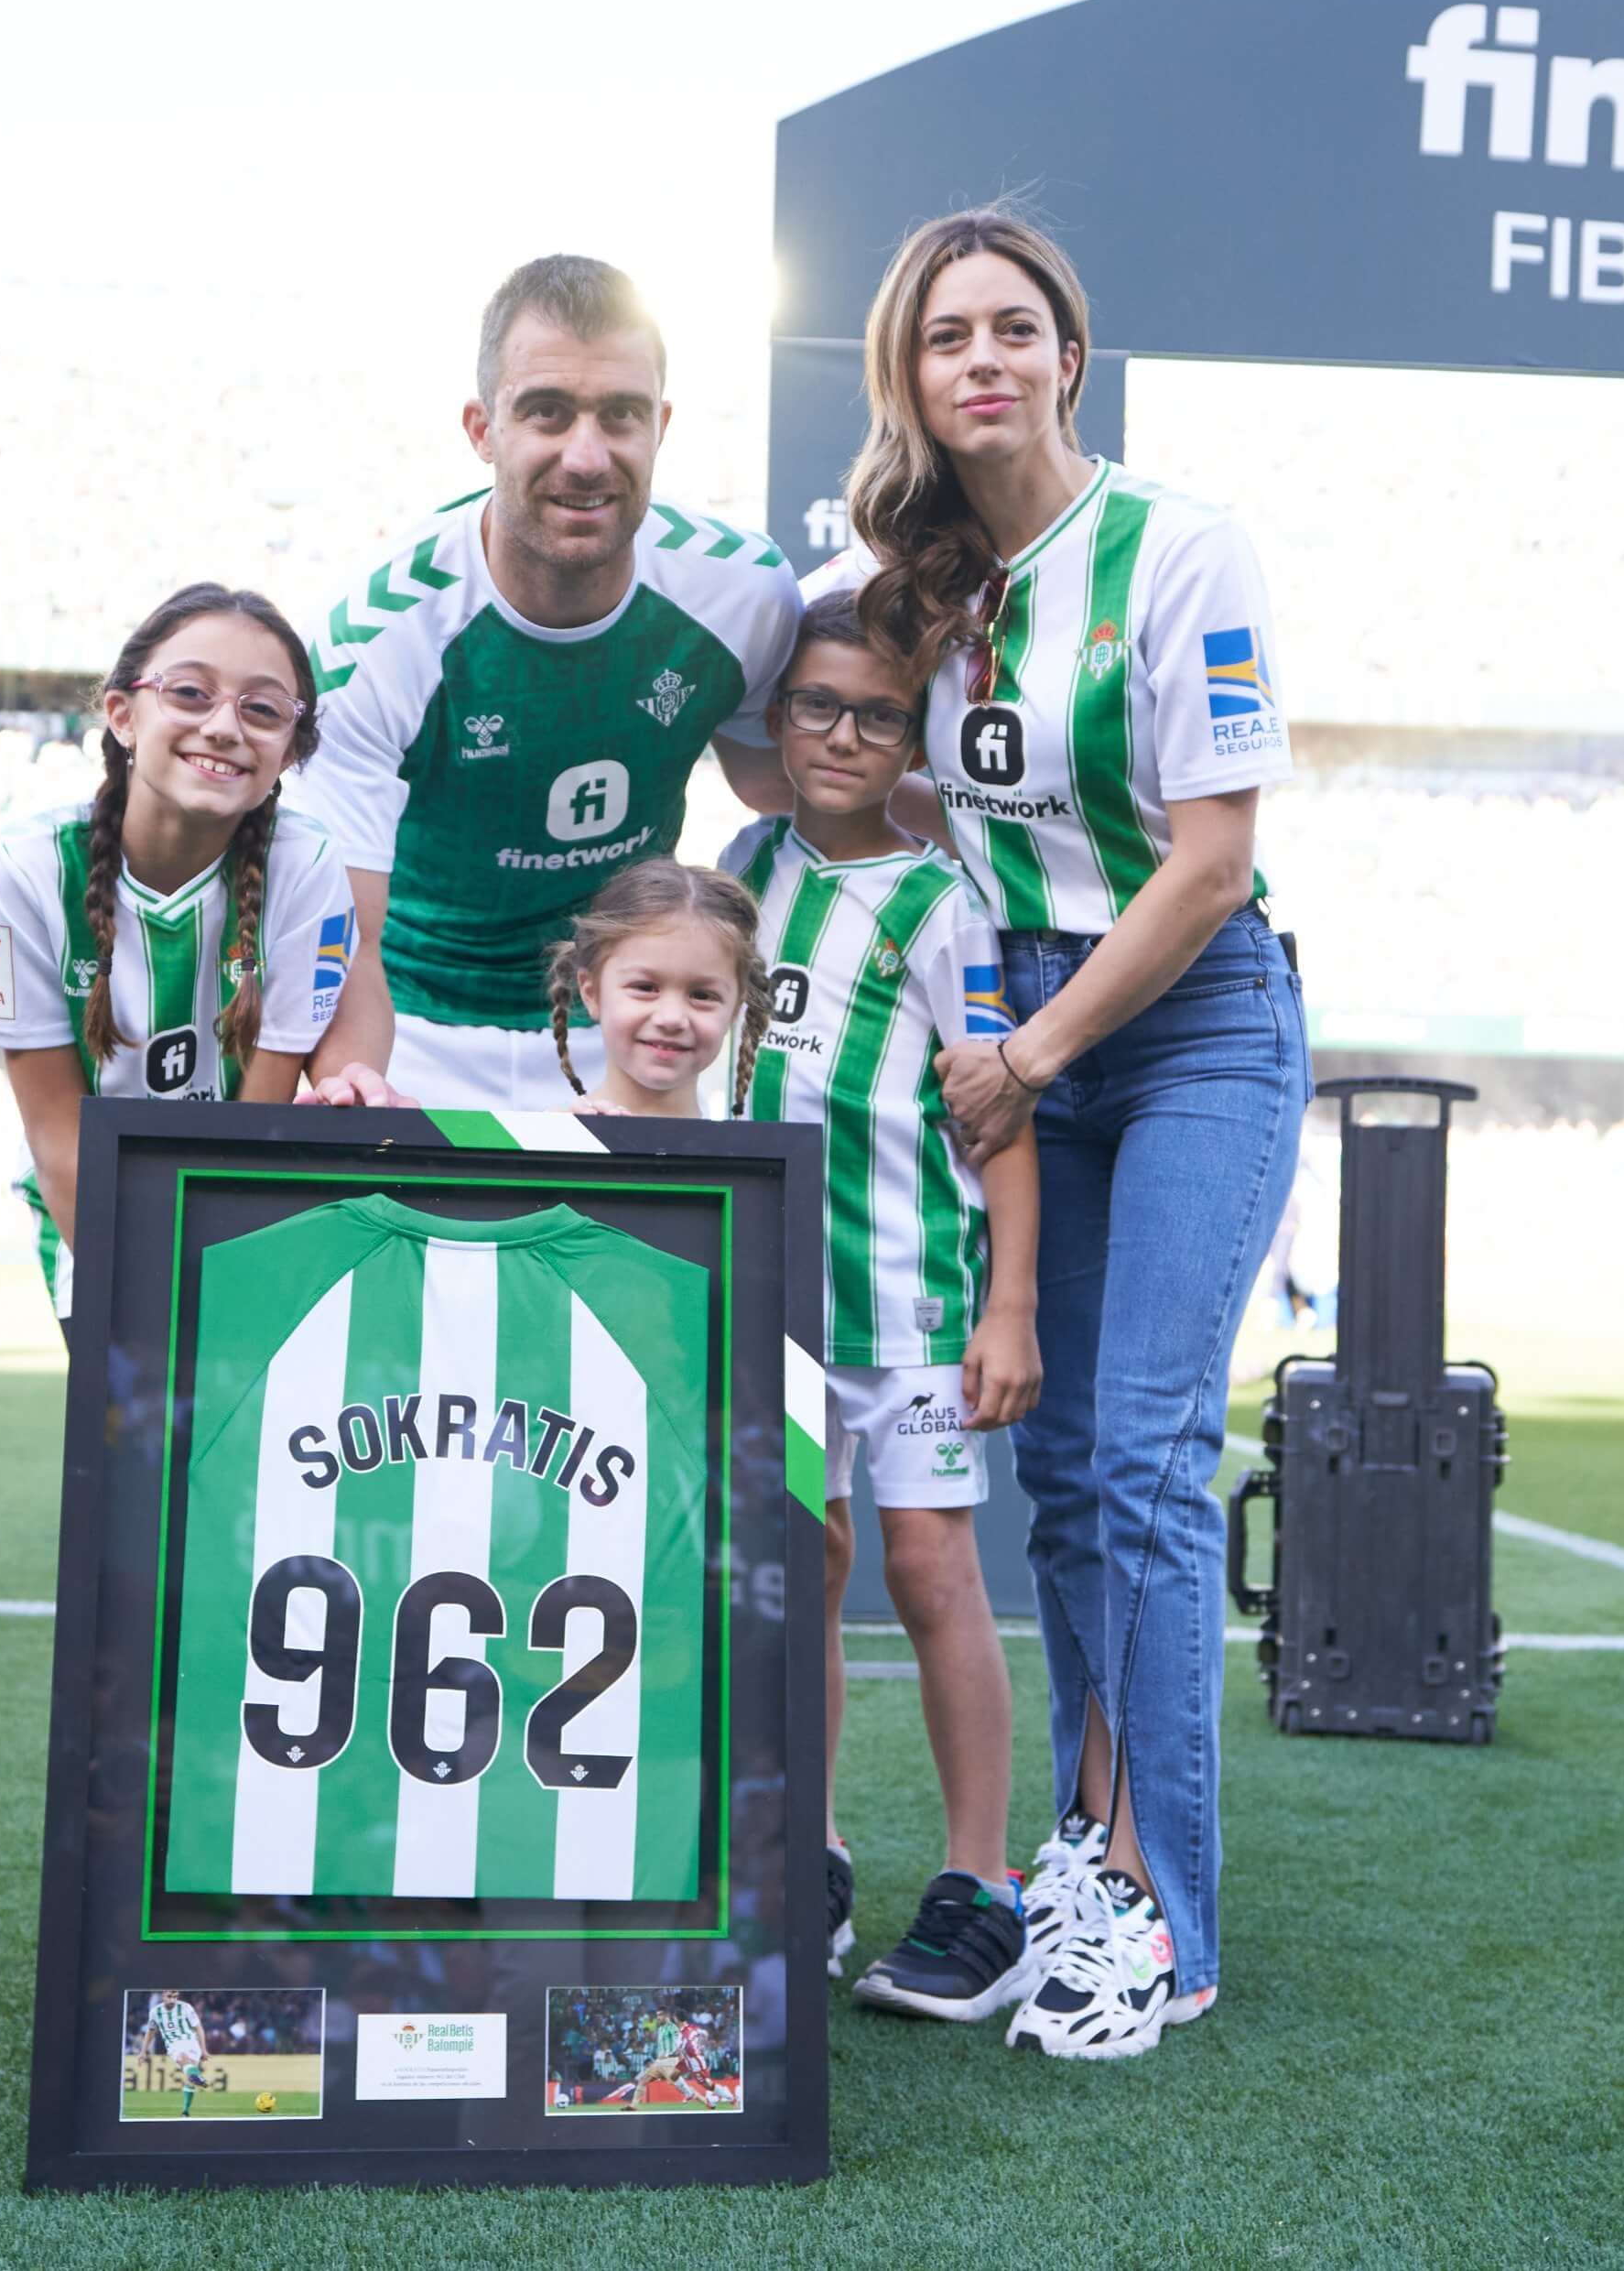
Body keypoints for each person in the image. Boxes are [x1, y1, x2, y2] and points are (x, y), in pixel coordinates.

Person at [813, 210, 1303, 2061]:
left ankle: (1160, 1923)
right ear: (908, 375)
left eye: (1013, 329)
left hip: (1179, 1020)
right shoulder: (909, 576)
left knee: (1153, 1461)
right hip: (1019, 1018)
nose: (981, 362)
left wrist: (1030, 1053)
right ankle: (1083, 1865)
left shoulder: (1181, 546)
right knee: (1068, 1476)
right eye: (946, 338)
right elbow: (812, 730)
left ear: (1067, 356)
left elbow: (1210, 859)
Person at [719, 594, 1045, 2023]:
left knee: (930, 1571)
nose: (843, 733)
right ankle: (820, 1850)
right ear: (776, 721)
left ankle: (982, 1885)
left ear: (912, 736)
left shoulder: (938, 897)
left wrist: (1011, 1304)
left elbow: (999, 1117)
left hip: (909, 1306)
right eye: (817, 705)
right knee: (806, 1565)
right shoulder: (738, 868)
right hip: (773, 1305)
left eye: (876, 713)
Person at [298, 254, 798, 1109]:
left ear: (662, 425)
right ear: (482, 428)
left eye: (621, 415)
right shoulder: (376, 637)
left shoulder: (746, 592)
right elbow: (352, 941)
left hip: (628, 1028)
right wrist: (360, 1091)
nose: (587, 454)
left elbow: (786, 793)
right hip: (418, 1028)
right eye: (548, 413)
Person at [0, 585, 354, 1314]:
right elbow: (58, 1136)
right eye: (191, 693)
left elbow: (259, 1130)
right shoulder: (28, 866)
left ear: (290, 750)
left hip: (243, 1204)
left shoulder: (310, 863)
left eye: (262, 709)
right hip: (87, 1200)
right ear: (121, 714)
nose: (225, 726)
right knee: (129, 1424)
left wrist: (230, 1288)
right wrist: (142, 1298)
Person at [539, 859, 771, 1123]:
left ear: (735, 1008)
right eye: (645, 988)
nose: (671, 1018)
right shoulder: (545, 1140)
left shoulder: (746, 1159)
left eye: (702, 995)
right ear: (591, 993)